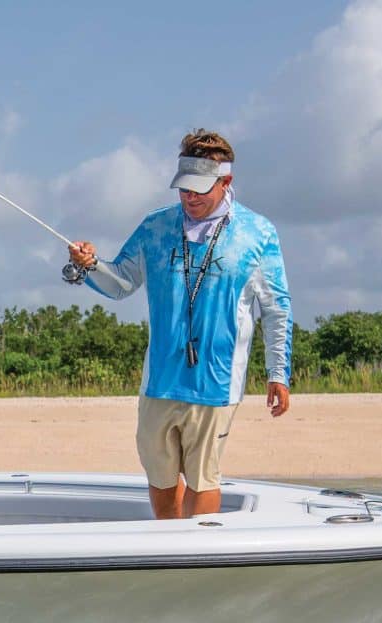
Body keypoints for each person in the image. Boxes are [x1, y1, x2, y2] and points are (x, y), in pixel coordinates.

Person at [66, 129, 292, 519]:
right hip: (160, 379)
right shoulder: (156, 226)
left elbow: (276, 308)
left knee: (204, 476)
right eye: (184, 188)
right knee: (160, 473)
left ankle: (198, 553)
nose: (190, 197)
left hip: (217, 381)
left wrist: (279, 373)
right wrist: (91, 266)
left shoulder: (258, 233)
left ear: (226, 182)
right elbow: (121, 283)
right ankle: (169, 542)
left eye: (201, 189)